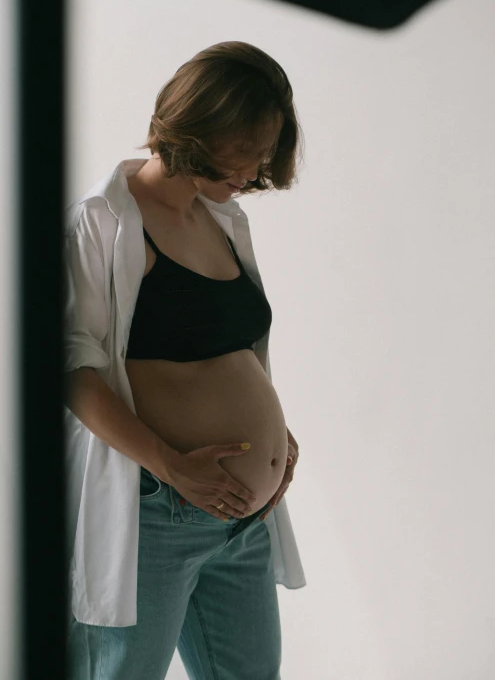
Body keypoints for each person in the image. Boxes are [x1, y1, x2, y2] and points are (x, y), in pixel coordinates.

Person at [64, 41, 307, 680]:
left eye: (268, 149)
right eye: (251, 145)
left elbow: (232, 351)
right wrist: (170, 465)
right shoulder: (102, 223)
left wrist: (274, 436)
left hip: (244, 522)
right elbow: (70, 367)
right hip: (157, 517)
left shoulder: (220, 218)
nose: (259, 167)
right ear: (205, 124)